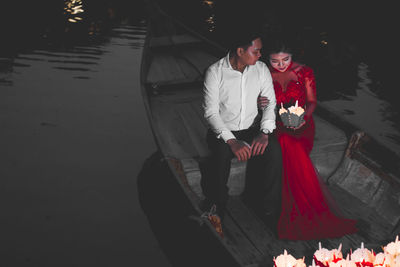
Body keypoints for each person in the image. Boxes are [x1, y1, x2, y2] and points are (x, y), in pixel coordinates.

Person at [258, 37, 358, 240]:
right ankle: (282, 205)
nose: (281, 65)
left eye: (285, 59)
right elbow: (261, 104)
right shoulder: (264, 74)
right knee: (283, 143)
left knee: (290, 144)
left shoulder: (305, 72)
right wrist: (261, 104)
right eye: (275, 61)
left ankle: (297, 205)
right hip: (276, 121)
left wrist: (304, 117)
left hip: (302, 123)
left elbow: (312, 102)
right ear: (268, 59)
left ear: (292, 57)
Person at [201, 31, 283, 231]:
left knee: (274, 151)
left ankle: (266, 209)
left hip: (252, 129)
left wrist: (264, 133)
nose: (260, 55)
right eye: (256, 51)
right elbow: (211, 113)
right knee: (219, 157)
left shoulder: (261, 69)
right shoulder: (215, 72)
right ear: (240, 51)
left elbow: (270, 102)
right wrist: (232, 141)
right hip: (223, 132)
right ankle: (217, 208)